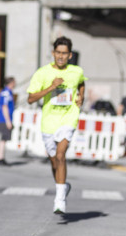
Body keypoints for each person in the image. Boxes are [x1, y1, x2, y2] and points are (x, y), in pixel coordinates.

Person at [27, 36, 86, 214]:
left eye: (64, 53)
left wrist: (81, 96)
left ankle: (59, 199)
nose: (61, 56)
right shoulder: (42, 73)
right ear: (53, 53)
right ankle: (63, 185)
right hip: (49, 123)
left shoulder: (76, 71)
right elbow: (30, 99)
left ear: (69, 55)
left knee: (60, 156)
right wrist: (51, 87)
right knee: (54, 162)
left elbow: (81, 83)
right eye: (58, 53)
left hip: (68, 119)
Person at [0, 76, 16, 166]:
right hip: (4, 119)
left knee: (4, 139)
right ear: (11, 83)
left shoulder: (8, 92)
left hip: (5, 119)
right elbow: (4, 107)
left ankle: (1, 157)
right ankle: (0, 158)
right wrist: (8, 121)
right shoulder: (6, 93)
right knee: (3, 139)